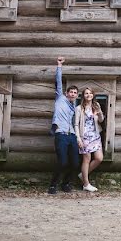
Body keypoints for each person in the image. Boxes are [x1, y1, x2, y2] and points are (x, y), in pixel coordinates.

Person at [48, 57, 79, 194]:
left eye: (74, 93)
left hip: (72, 135)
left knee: (75, 163)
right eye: (70, 92)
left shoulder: (75, 107)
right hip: (60, 134)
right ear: (66, 93)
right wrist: (59, 66)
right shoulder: (60, 98)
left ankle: (66, 184)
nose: (72, 94)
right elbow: (58, 82)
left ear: (76, 96)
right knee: (62, 162)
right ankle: (53, 185)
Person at [74, 87, 104, 192]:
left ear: (93, 95)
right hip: (84, 137)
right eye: (86, 93)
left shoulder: (96, 106)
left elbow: (101, 120)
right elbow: (76, 125)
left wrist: (99, 112)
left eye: (90, 93)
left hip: (95, 136)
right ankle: (86, 184)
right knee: (86, 159)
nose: (89, 95)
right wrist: (78, 139)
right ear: (83, 95)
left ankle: (82, 175)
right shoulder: (79, 108)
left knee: (99, 158)